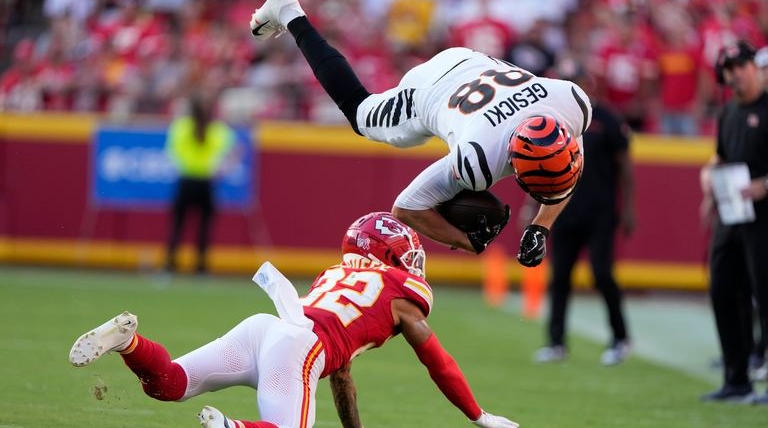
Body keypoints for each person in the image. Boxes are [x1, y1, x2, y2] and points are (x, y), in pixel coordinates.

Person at [69, 212, 519, 428]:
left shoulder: (336, 275)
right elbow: (437, 361)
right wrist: (477, 416)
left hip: (266, 327)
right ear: (389, 256)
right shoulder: (402, 296)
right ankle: (231, 427)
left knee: (170, 384)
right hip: (301, 349)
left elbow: (342, 376)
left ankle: (128, 341)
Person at [249, 0, 592, 267]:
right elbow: (407, 207)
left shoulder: (572, 103)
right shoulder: (479, 160)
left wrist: (540, 226)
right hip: (428, 91)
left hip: (471, 60)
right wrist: (467, 241)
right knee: (360, 112)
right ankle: (289, 10)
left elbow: (569, 159)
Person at [530, 58, 635, 366]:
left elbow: (625, 168)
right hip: (561, 208)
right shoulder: (552, 118)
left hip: (600, 210)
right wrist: (532, 208)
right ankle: (556, 342)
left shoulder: (606, 118)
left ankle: (620, 338)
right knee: (559, 276)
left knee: (602, 274)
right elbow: (536, 168)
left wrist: (628, 209)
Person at [699, 40, 768, 404]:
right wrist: (710, 183)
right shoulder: (728, 114)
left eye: (739, 66)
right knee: (724, 289)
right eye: (728, 70)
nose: (735, 75)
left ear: (754, 66)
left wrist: (765, 185)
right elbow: (722, 157)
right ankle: (736, 378)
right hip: (732, 213)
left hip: (763, 217)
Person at [165, 92, 235, 274]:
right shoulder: (218, 129)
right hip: (206, 183)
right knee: (204, 227)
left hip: (186, 181)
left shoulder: (181, 127)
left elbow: (171, 154)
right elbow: (233, 152)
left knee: (178, 225)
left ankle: (170, 265)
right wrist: (219, 170)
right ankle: (201, 267)